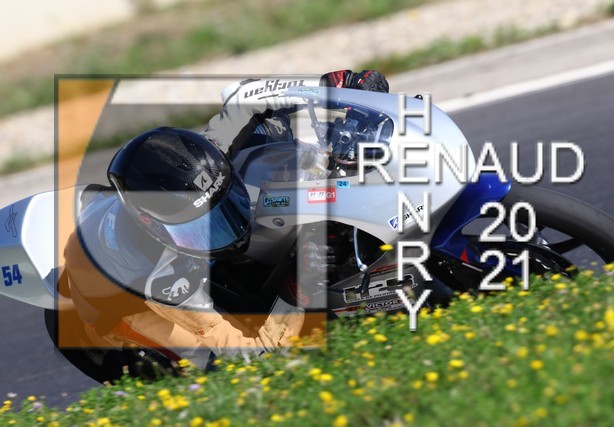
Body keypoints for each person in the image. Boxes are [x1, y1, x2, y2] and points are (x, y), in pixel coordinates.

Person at [62, 70, 390, 368]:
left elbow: (244, 97)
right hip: (123, 300)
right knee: (211, 367)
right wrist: (297, 288)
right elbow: (250, 357)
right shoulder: (163, 283)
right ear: (155, 227)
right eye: (200, 229)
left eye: (224, 207)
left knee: (265, 129)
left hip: (142, 228)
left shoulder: (207, 160)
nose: (233, 233)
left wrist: (335, 86)